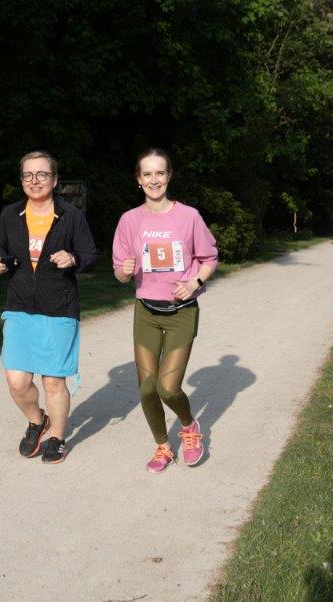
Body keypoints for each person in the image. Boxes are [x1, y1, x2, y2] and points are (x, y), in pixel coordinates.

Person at [112, 149, 218, 473]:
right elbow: (120, 272)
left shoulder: (189, 216)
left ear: (169, 176)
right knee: (147, 387)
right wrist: (124, 271)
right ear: (138, 179)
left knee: (167, 388)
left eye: (160, 173)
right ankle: (162, 446)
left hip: (181, 312)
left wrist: (194, 282)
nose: (154, 180)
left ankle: (188, 426)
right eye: (147, 174)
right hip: (146, 312)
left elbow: (209, 258)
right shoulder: (129, 220)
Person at [0, 151, 97, 464]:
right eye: (28, 175)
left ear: (54, 180)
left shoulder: (71, 216)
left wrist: (73, 258)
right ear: (21, 179)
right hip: (19, 306)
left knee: (53, 380)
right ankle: (38, 421)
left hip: (59, 307)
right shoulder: (10, 214)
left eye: (42, 174)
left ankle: (58, 438)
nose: (34, 181)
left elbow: (90, 255)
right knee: (17, 380)